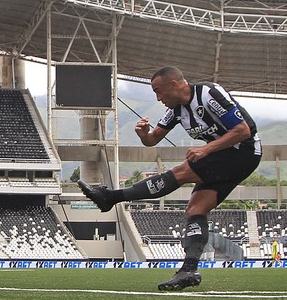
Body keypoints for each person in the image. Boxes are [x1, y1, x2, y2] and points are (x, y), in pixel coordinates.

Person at [78, 66, 262, 291]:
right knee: (195, 210)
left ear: (174, 84)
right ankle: (189, 270)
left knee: (184, 171)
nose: (158, 98)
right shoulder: (176, 110)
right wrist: (143, 134)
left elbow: (243, 130)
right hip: (222, 155)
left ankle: (110, 197)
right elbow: (153, 139)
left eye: (159, 91)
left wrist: (207, 149)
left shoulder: (208, 94)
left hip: (243, 151)